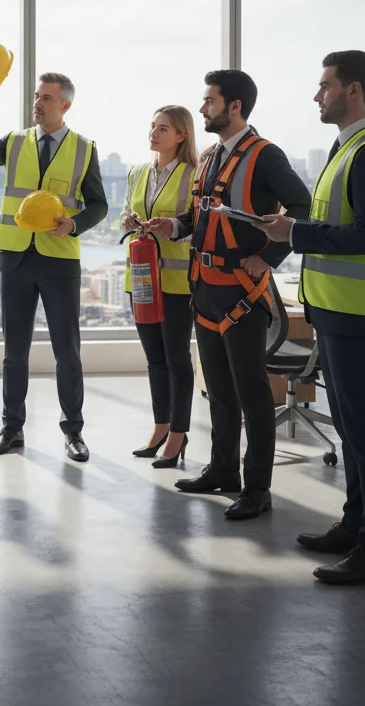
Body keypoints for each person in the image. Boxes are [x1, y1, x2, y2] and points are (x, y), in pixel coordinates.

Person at [256, 51, 365, 585]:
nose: (316, 96)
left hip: (358, 315)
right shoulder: (345, 151)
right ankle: (356, 524)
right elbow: (333, 226)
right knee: (348, 426)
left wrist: (291, 234)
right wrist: (291, 226)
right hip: (336, 310)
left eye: (325, 86)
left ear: (354, 91)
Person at [145, 70, 311, 518]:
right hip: (205, 288)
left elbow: (302, 207)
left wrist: (271, 256)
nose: (202, 108)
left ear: (234, 106)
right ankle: (222, 470)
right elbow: (198, 213)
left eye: (209, 101)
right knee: (218, 388)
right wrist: (174, 226)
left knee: (252, 392)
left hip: (242, 290)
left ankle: (257, 487)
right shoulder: (210, 157)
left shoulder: (265, 156)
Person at [0, 73, 108, 462]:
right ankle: (11, 427)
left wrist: (74, 224)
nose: (37, 103)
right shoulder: (15, 141)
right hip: (15, 257)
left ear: (65, 106)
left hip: (59, 260)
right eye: (36, 96)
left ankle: (73, 432)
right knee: (14, 351)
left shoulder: (84, 148)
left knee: (67, 352)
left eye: (46, 98)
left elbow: (99, 205)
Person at [122, 106, 197, 468]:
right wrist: (129, 220)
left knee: (177, 359)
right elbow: (125, 211)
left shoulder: (193, 174)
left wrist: (167, 224)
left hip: (177, 281)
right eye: (153, 126)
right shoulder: (138, 172)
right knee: (155, 360)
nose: (154, 133)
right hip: (140, 278)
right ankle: (160, 427)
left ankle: (179, 435)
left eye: (163, 128)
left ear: (181, 135)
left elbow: (197, 223)